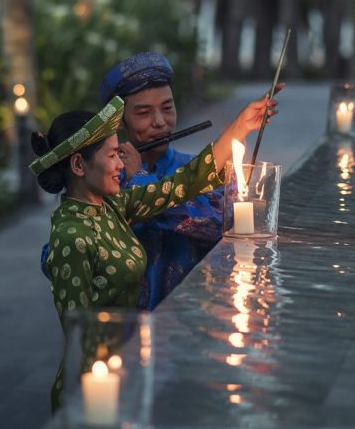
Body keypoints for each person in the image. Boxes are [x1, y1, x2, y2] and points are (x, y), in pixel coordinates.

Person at [30, 92, 279, 411]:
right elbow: (81, 334)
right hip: (95, 387)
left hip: (127, 365)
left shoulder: (113, 207)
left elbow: (181, 185)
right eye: (112, 156)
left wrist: (239, 127)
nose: (122, 163)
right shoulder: (70, 235)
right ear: (78, 165)